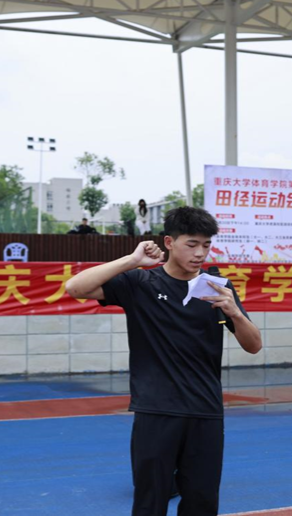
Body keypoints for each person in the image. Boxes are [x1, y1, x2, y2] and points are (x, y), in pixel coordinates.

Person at [65, 206, 262, 516]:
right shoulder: (141, 283)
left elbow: (254, 346)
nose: (200, 253)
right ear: (169, 242)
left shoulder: (217, 288)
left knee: (202, 500)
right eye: (191, 244)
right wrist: (132, 260)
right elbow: (75, 288)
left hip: (205, 410)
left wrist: (234, 312)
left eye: (206, 245)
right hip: (156, 410)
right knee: (150, 500)